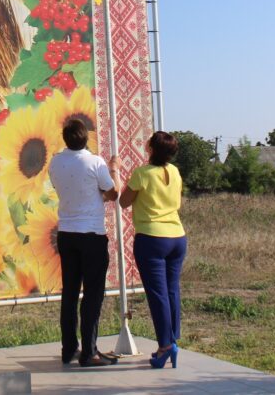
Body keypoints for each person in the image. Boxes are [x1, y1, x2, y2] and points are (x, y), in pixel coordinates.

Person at [48, 119, 120, 367]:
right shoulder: (95, 162)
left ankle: (69, 349)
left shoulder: (55, 162)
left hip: (66, 233)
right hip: (91, 233)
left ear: (65, 138)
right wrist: (113, 169)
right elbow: (113, 193)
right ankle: (89, 352)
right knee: (92, 294)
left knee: (69, 292)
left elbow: (63, 187)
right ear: (86, 137)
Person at [119, 131, 185, 368]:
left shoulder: (142, 173)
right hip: (177, 236)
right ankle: (172, 339)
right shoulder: (174, 171)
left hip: (152, 238)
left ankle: (165, 346)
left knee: (157, 294)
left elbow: (123, 201)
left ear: (151, 148)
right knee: (172, 290)